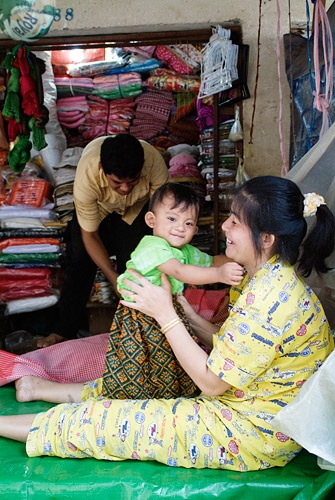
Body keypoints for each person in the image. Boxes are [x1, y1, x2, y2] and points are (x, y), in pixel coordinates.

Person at [2, 175, 335, 471]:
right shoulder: (268, 279)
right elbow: (232, 346)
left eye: (235, 222)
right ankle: (40, 388)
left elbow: (213, 383)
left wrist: (166, 315)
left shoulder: (269, 298)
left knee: (115, 423)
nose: (224, 227)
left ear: (267, 239)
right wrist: (187, 315)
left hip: (251, 432)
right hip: (246, 404)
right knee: (143, 387)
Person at [101, 182, 244, 400]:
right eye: (171, 219)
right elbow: (179, 271)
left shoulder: (183, 250)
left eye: (188, 223)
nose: (180, 227)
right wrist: (220, 276)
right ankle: (135, 401)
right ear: (151, 220)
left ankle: (168, 395)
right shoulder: (152, 245)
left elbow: (212, 261)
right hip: (139, 317)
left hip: (164, 310)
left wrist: (244, 264)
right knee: (140, 362)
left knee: (168, 358)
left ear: (195, 230)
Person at [38, 133, 169, 348]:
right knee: (79, 260)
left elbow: (161, 216)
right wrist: (113, 277)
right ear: (102, 169)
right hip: (100, 211)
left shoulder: (154, 164)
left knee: (137, 263)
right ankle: (63, 330)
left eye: (132, 181)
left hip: (137, 211)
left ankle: (141, 330)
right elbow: (89, 234)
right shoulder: (87, 175)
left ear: (142, 168)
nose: (125, 188)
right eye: (117, 182)